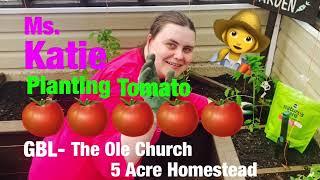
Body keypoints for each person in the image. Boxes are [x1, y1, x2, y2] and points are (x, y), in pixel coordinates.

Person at [28, 11, 211, 180]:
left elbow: (167, 94)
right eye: (171, 44)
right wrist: (152, 117)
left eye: (187, 49)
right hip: (70, 172)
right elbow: (112, 165)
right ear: (150, 41)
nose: (179, 55)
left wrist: (209, 105)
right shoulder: (121, 79)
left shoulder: (148, 69)